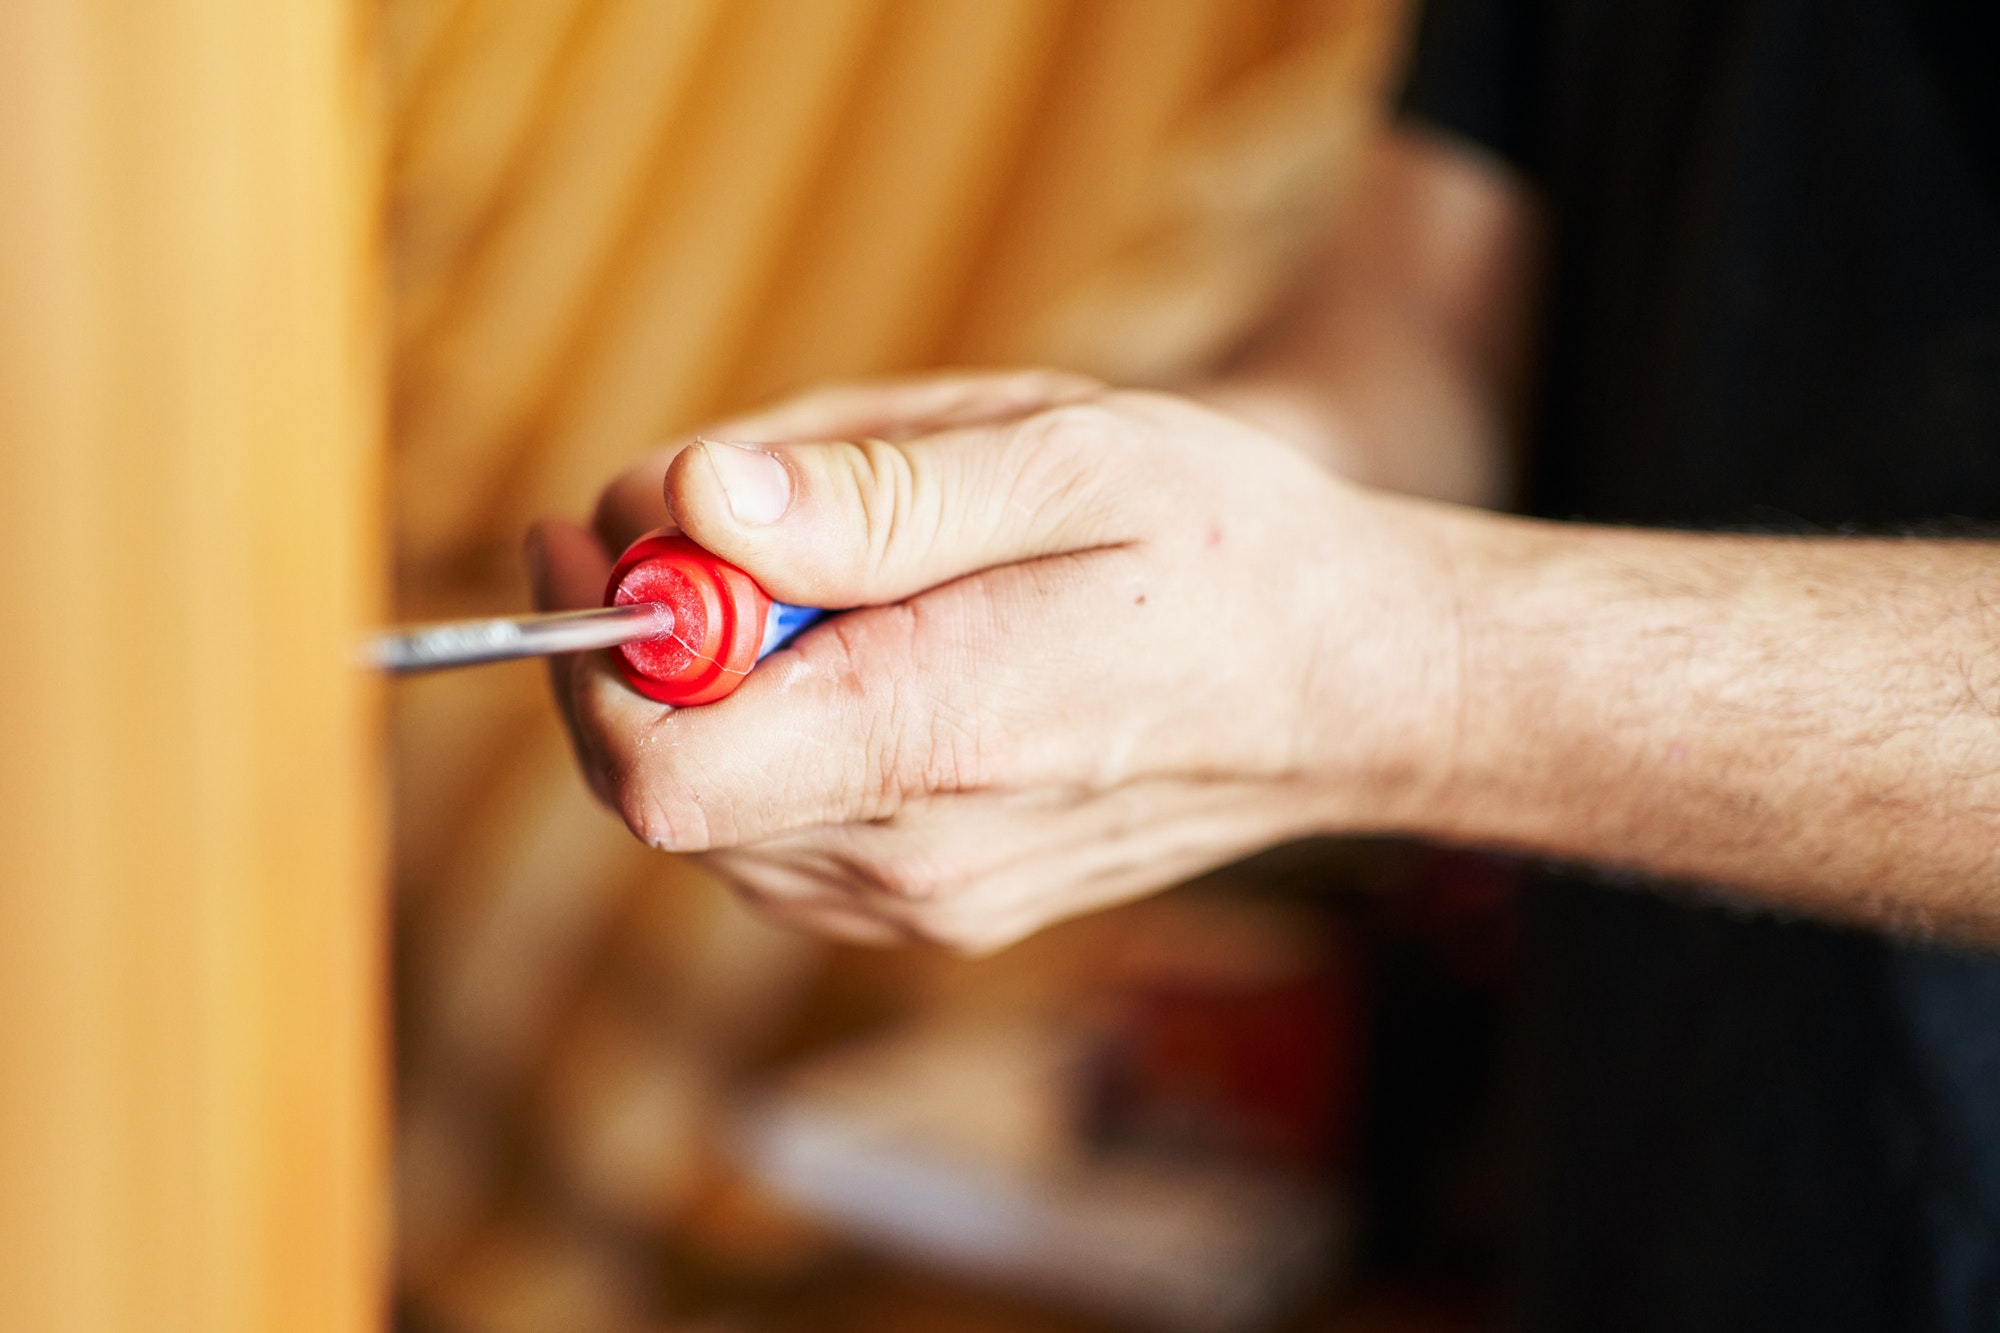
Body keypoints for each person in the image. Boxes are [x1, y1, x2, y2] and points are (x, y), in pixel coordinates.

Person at [526, 0, 2000, 1325]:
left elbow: (1379, 625)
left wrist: (1384, 666)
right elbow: (1418, 333)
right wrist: (1077, 521)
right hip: (1645, 1210)